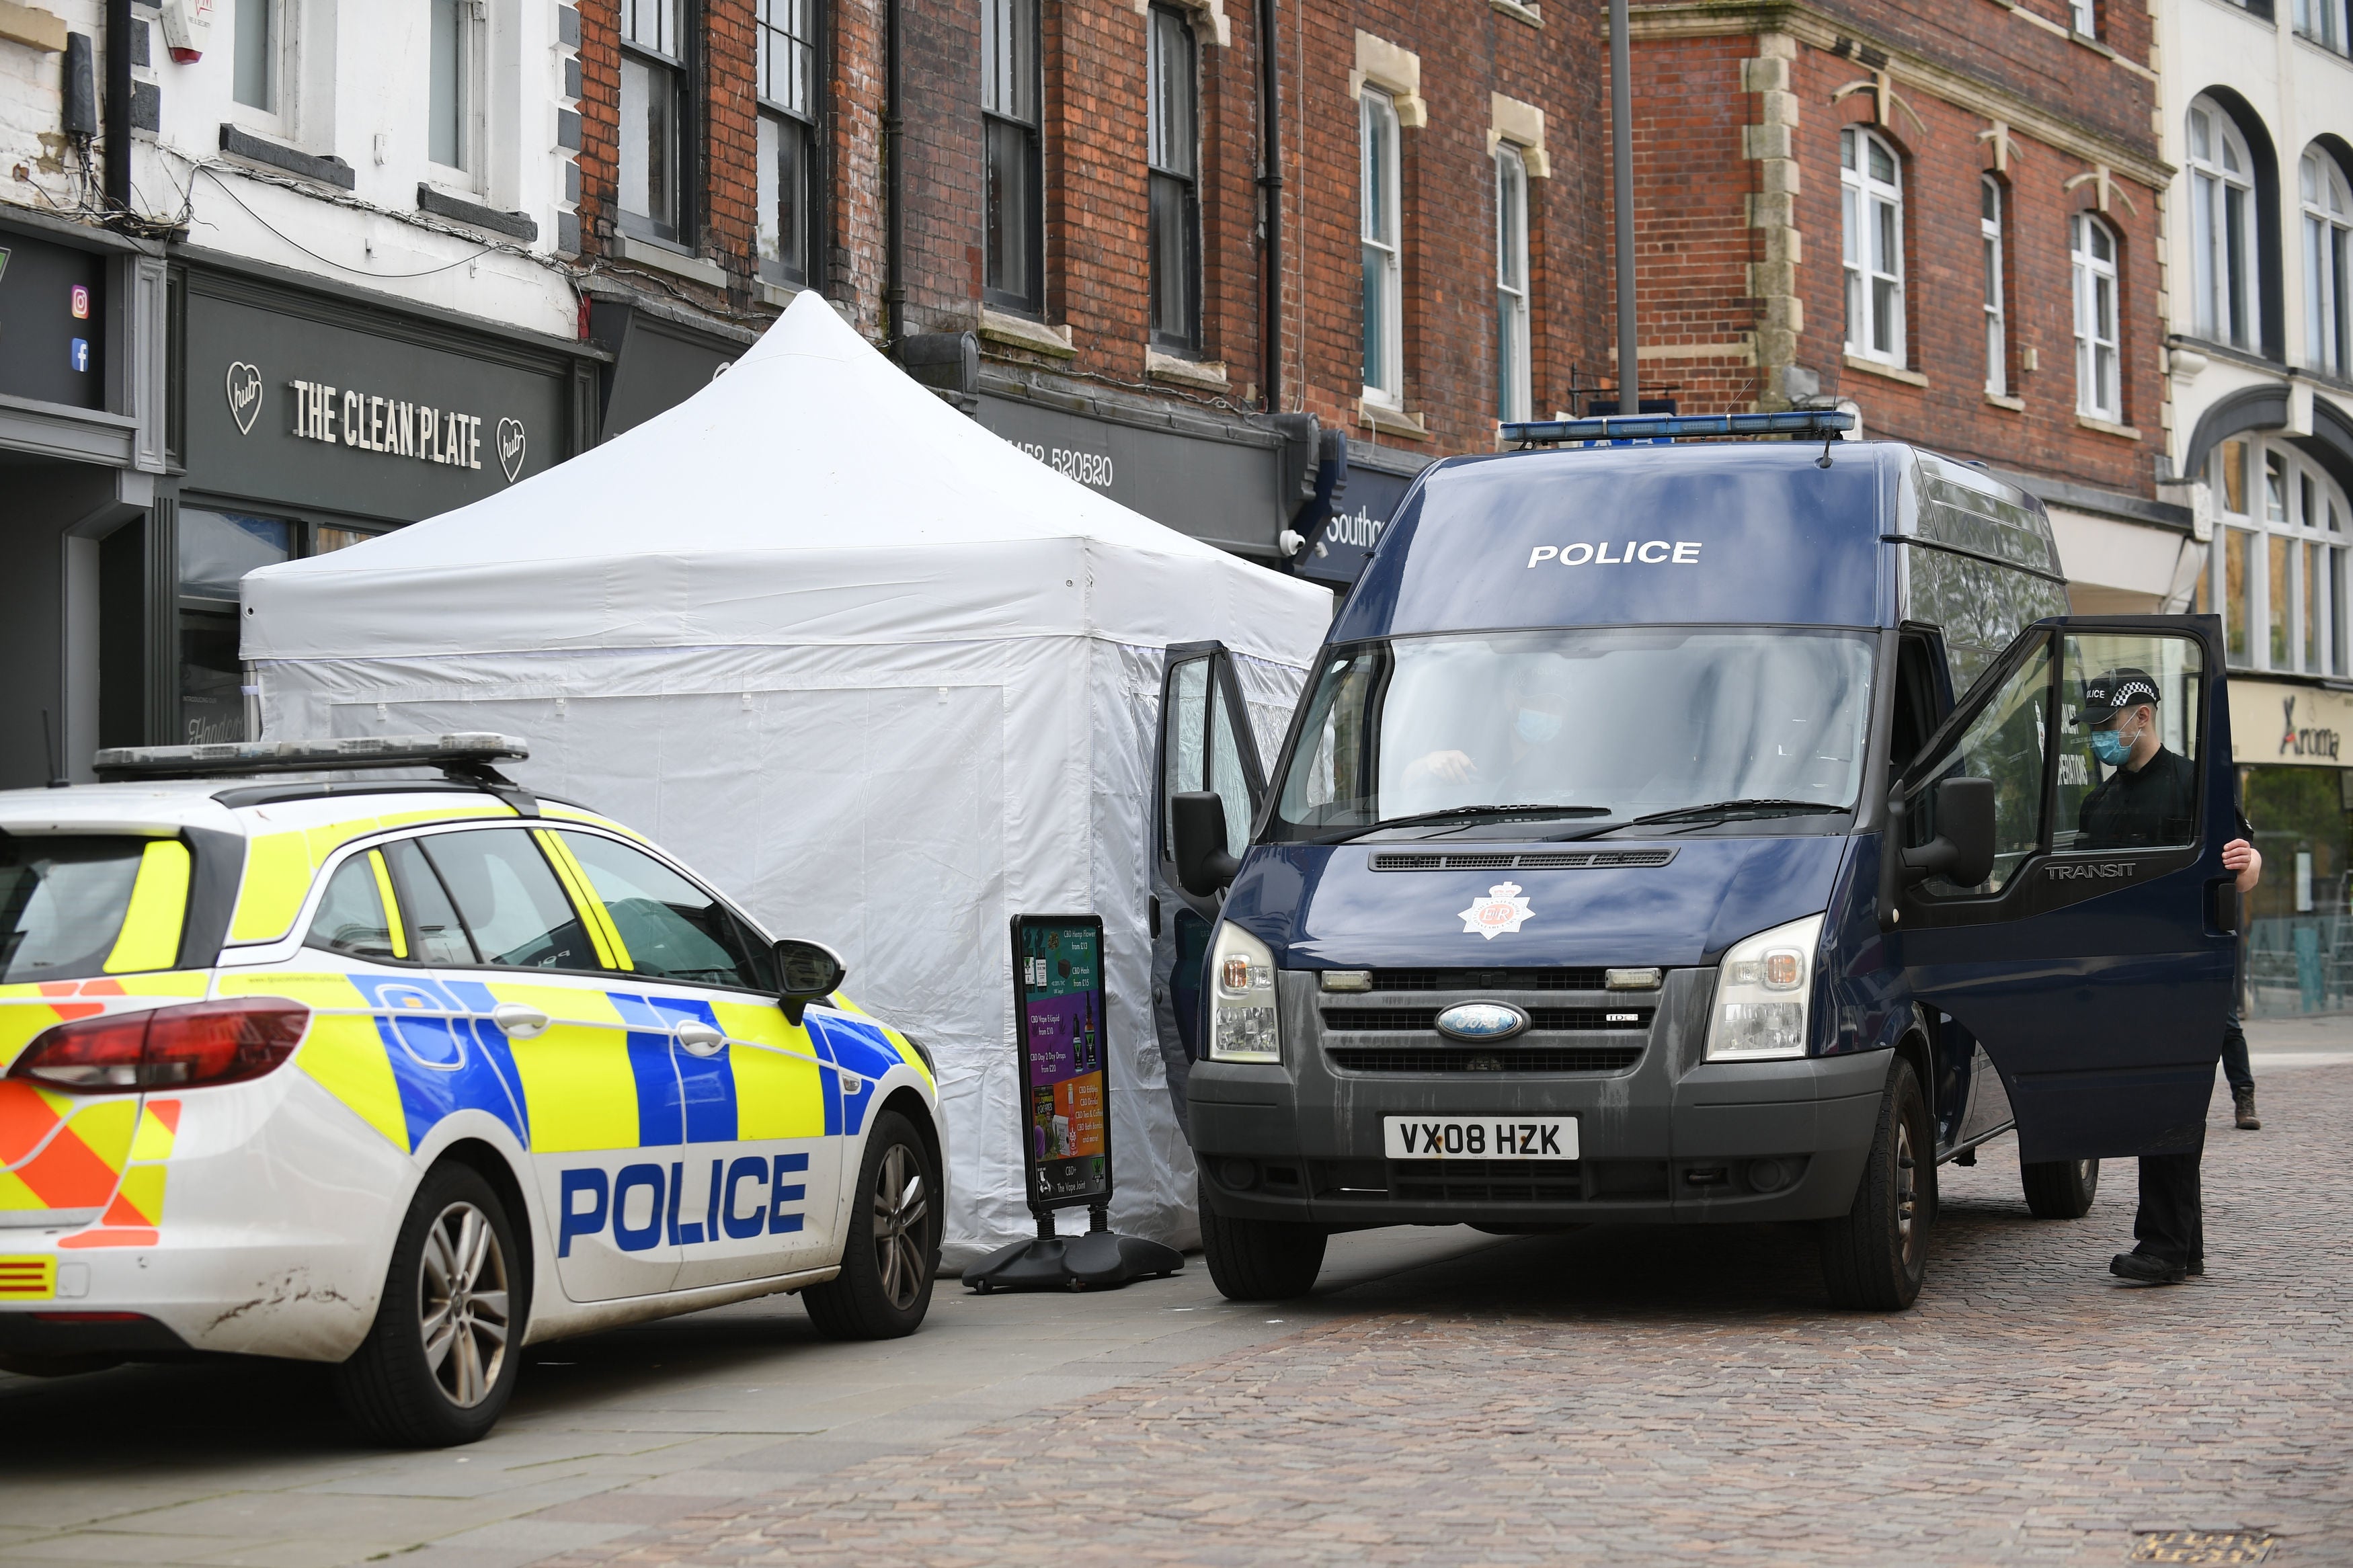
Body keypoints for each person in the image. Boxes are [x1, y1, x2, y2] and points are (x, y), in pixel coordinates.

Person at [2071, 669, 2262, 1286]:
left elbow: (2246, 863)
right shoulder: (2097, 803)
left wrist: (2247, 860)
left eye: (2108, 726)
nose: (2102, 737)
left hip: (2182, 974)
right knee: (2160, 1105)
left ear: (2143, 716)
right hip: (2123, 978)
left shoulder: (2192, 785)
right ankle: (2184, 1244)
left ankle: (2162, 1244)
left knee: (2169, 1105)